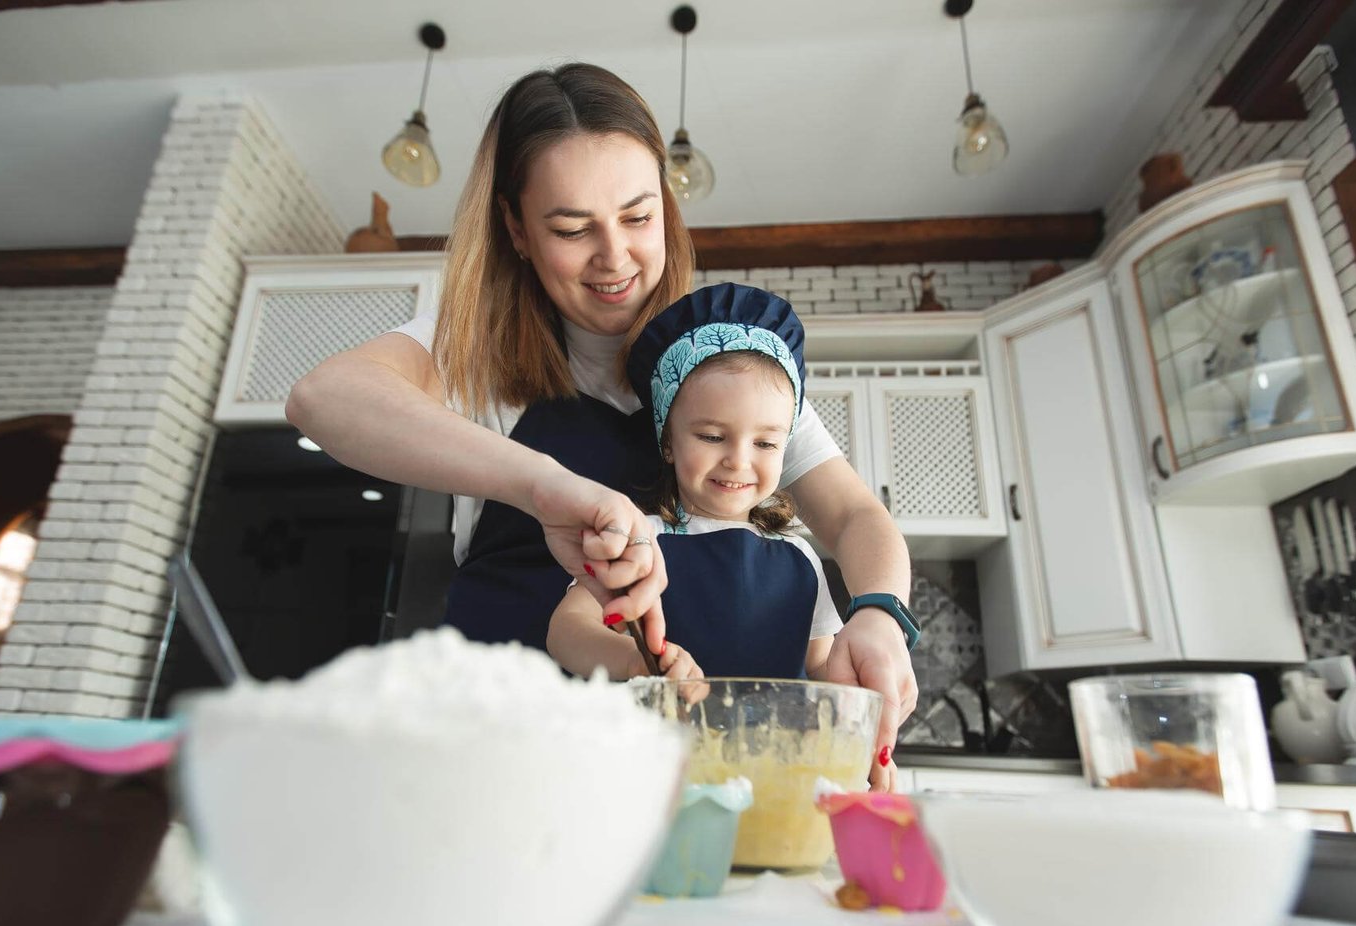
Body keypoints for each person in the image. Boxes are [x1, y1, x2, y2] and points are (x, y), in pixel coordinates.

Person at [285, 63, 917, 788]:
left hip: (655, 778)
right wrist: (547, 488)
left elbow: (857, 516)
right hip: (494, 757)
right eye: (571, 228)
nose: (614, 257)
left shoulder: (735, 369)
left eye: (638, 216)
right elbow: (322, 397)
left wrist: (878, 613)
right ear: (517, 231)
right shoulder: (477, 350)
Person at [547, 284, 840, 683]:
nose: (738, 460)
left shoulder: (802, 560)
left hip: (774, 745)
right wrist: (636, 659)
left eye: (765, 443)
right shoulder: (641, 541)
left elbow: (821, 666)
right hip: (659, 743)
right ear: (669, 442)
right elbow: (567, 631)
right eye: (712, 437)